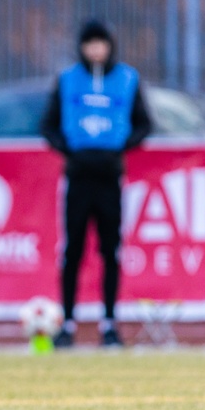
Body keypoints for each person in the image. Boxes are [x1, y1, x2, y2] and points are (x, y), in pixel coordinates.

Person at [40, 19, 153, 348]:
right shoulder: (67, 79)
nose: (95, 50)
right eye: (90, 43)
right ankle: (68, 323)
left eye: (100, 43)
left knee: (110, 250)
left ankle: (108, 324)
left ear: (109, 45)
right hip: (77, 176)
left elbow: (145, 124)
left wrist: (119, 146)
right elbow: (47, 126)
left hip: (110, 176)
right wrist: (70, 151)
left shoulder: (127, 79)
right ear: (82, 46)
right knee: (72, 250)